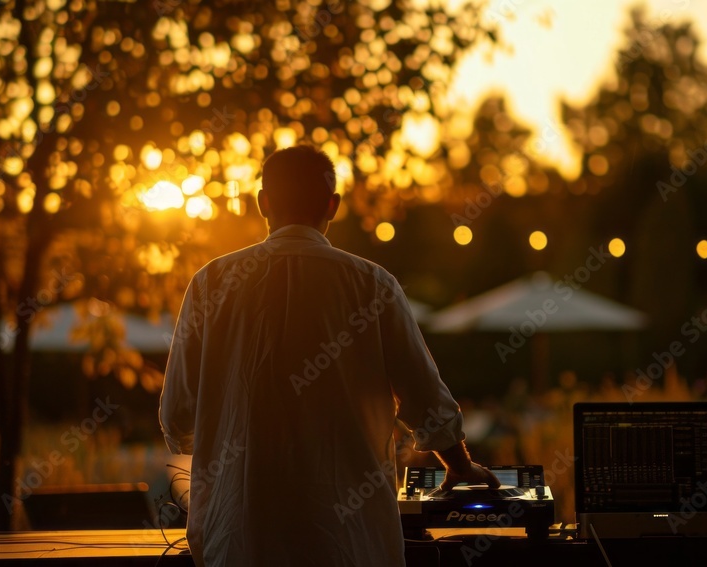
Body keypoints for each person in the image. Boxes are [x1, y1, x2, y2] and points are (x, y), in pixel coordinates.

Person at [159, 145, 498, 567]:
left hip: (239, 539)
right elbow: (425, 399)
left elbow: (178, 417)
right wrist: (461, 467)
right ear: (333, 206)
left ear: (263, 203)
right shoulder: (372, 284)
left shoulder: (210, 283)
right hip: (350, 543)